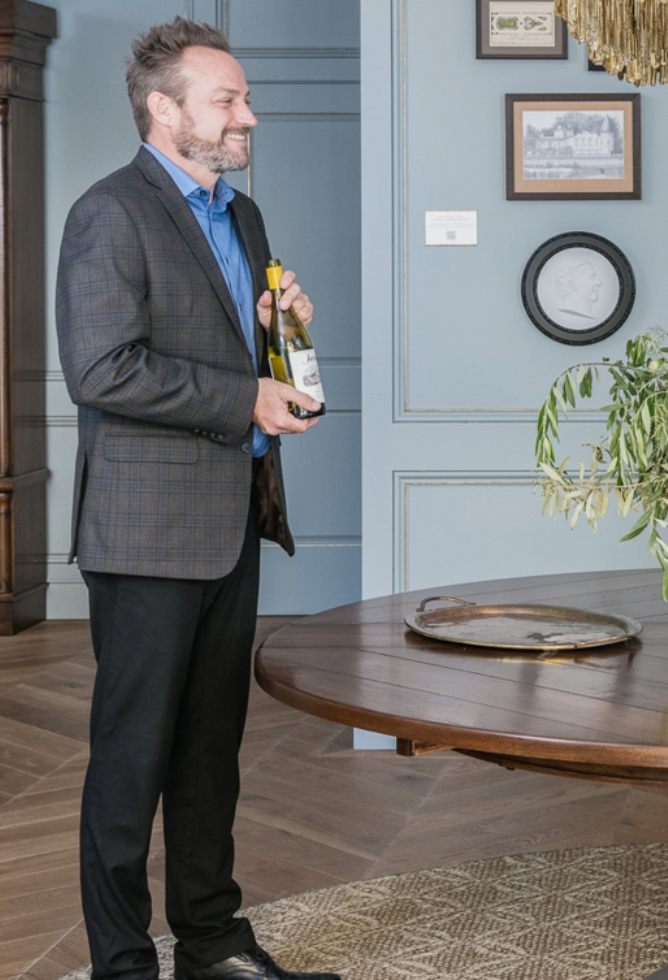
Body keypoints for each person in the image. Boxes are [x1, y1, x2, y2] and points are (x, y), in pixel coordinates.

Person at [56, 18, 338, 980]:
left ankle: (213, 945)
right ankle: (124, 964)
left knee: (212, 754)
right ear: (163, 109)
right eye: (227, 100)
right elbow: (101, 370)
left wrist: (279, 335)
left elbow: (219, 350)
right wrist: (244, 394)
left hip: (231, 524)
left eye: (244, 96)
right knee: (132, 761)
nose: (247, 114)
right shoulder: (108, 213)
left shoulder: (242, 216)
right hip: (142, 535)